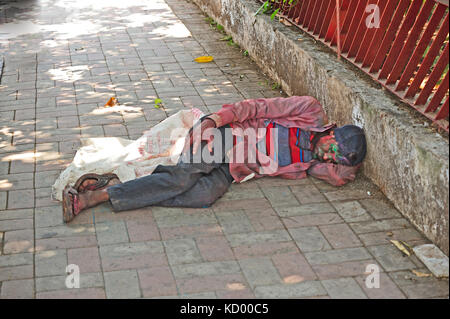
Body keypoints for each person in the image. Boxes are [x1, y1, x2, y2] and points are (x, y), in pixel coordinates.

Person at [62, 96, 367, 223]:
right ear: (332, 131)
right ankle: (95, 196)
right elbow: (256, 107)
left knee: (203, 195)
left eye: (333, 158)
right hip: (225, 138)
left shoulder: (314, 164)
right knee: (182, 178)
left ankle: (125, 184)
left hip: (234, 170)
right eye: (330, 148)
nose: (326, 156)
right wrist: (211, 120)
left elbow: (340, 178)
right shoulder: (309, 110)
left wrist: (344, 162)